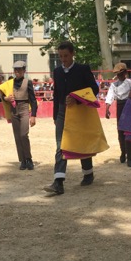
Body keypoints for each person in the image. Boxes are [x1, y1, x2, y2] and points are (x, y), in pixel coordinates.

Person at [44, 41, 100, 195]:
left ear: (73, 54)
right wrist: (56, 115)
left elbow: (94, 89)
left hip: (80, 110)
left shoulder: (82, 69)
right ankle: (58, 182)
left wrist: (77, 98)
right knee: (61, 145)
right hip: (63, 111)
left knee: (80, 142)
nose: (63, 59)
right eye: (61, 56)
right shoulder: (57, 71)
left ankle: (88, 173)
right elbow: (56, 94)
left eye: (66, 56)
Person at [0, 60, 38, 170]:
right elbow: (2, 96)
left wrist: (33, 115)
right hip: (13, 110)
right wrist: (5, 98)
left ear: (24, 70)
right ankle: (23, 160)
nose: (17, 71)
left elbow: (33, 100)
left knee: (23, 135)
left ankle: (29, 159)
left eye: (19, 69)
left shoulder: (28, 82)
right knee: (17, 136)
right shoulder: (10, 83)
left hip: (24, 108)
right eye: (15, 69)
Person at [105, 63, 131, 167]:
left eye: (121, 73)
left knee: (128, 132)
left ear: (125, 73)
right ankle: (123, 152)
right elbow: (110, 96)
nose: (119, 76)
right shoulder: (114, 85)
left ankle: (130, 158)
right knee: (121, 132)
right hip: (120, 107)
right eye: (118, 74)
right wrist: (107, 108)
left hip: (129, 107)